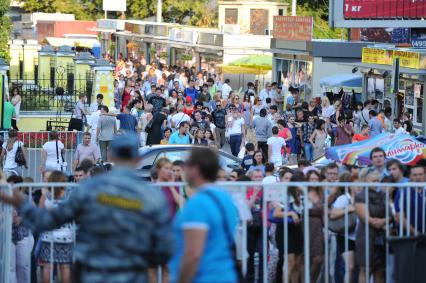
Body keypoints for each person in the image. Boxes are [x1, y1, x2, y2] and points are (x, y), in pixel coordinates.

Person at [0, 134, 174, 283]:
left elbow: (48, 221)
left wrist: (21, 202)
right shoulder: (153, 197)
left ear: (111, 156)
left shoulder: (88, 189)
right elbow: (164, 247)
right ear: (137, 158)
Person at [169, 147, 239, 283]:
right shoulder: (225, 198)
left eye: (186, 165)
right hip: (224, 275)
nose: (184, 170)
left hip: (204, 277)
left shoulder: (198, 203)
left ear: (195, 169)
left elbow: (193, 255)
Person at [38, 171, 74, 283]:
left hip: (48, 236)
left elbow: (39, 215)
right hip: (66, 236)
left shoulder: (45, 197)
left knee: (47, 266)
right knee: (65, 267)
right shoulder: (70, 197)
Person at [355, 168, 386, 283]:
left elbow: (391, 214)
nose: (377, 183)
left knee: (380, 269)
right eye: (374, 181)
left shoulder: (383, 195)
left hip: (381, 237)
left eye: (378, 180)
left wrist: (384, 221)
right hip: (365, 236)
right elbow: (366, 218)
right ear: (366, 181)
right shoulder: (361, 196)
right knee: (365, 269)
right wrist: (381, 222)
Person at [394, 163, 426, 234]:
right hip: (409, 238)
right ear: (409, 177)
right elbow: (400, 217)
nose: (418, 177)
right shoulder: (402, 192)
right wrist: (416, 233)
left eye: (421, 174)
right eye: (415, 175)